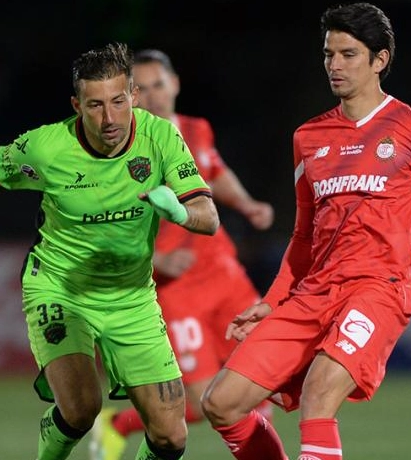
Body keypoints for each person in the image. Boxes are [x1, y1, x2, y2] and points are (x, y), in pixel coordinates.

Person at [199, 3, 411, 460]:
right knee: (221, 403)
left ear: (380, 60)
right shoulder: (308, 137)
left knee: (319, 395)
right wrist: (271, 303)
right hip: (313, 294)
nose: (334, 64)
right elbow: (303, 238)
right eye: (329, 54)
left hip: (377, 291)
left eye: (348, 54)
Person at [0, 42, 220, 460]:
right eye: (95, 105)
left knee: (171, 436)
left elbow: (209, 216)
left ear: (134, 96)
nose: (109, 117)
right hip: (60, 289)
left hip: (131, 298)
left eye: (118, 101)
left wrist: (181, 213)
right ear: (77, 105)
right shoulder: (47, 148)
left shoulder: (161, 136)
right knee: (81, 409)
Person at [89, 49, 275, 460]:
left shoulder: (195, 129)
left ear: (174, 84)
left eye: (159, 84)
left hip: (223, 273)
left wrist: (246, 205)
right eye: (142, 88)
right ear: (129, 97)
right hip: (175, 289)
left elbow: (215, 171)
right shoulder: (119, 155)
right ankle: (119, 423)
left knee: (264, 374)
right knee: (200, 399)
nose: (154, 95)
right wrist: (157, 262)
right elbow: (99, 230)